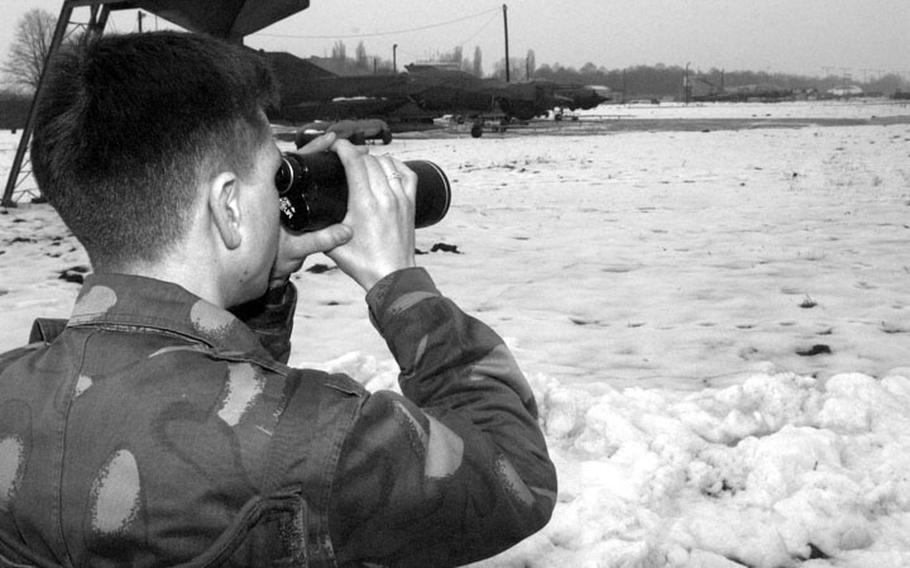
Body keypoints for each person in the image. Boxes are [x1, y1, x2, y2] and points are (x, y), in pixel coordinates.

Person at [0, 31, 556, 568]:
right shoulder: (324, 445)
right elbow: (516, 476)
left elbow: (212, 398)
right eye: (274, 178)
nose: (283, 195)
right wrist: (401, 285)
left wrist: (259, 284)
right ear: (228, 207)